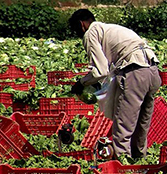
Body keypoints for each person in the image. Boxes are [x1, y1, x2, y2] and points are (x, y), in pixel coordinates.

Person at [68, 8, 161, 159]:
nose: (79, 35)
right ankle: (139, 159)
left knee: (124, 123)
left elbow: (101, 71)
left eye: (77, 30)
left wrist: (81, 83)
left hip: (135, 71)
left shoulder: (91, 33)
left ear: (82, 24)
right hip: (152, 71)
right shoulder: (109, 28)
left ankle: (122, 163)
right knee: (141, 122)